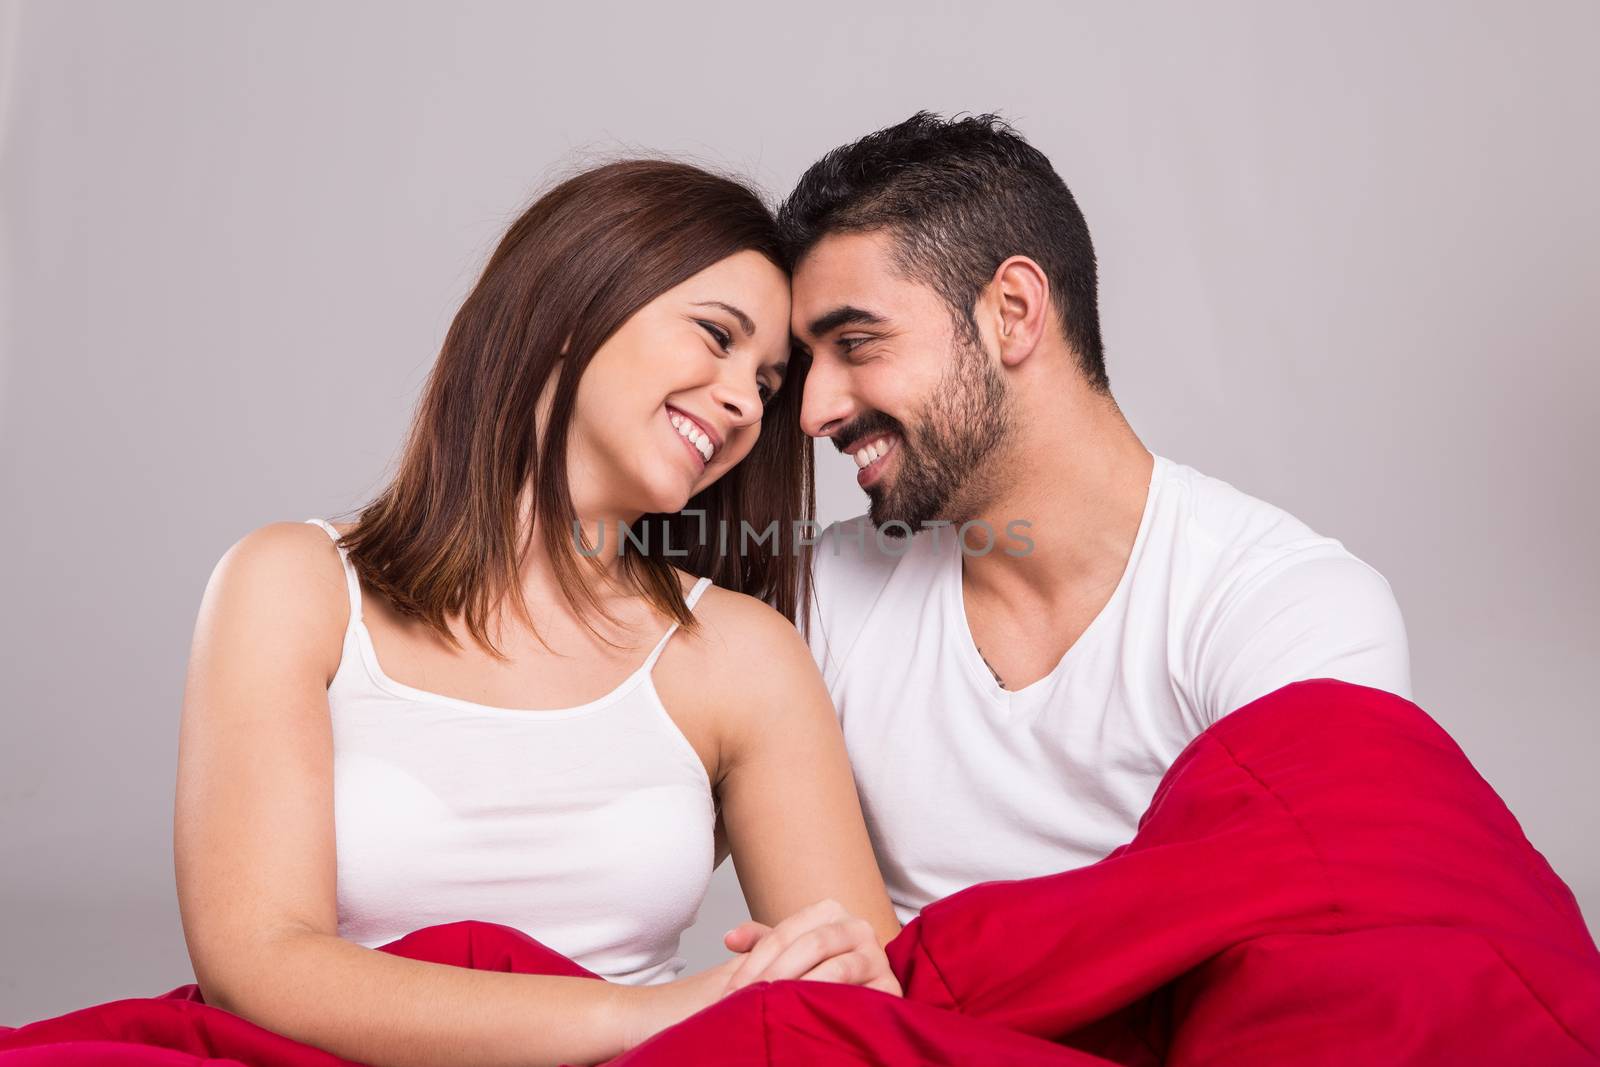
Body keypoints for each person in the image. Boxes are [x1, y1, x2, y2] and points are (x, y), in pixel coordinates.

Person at [172, 159, 900, 1067]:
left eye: (765, 383)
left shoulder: (742, 653)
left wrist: (789, 983)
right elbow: (258, 961)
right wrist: (656, 1013)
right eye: (716, 337)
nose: (743, 403)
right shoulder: (293, 586)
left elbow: (859, 991)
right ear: (571, 304)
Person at [770, 112, 1414, 927]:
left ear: (1012, 310)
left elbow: (1313, 944)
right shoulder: (830, 594)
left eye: (856, 343)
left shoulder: (1290, 610)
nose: (814, 411)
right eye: (806, 366)